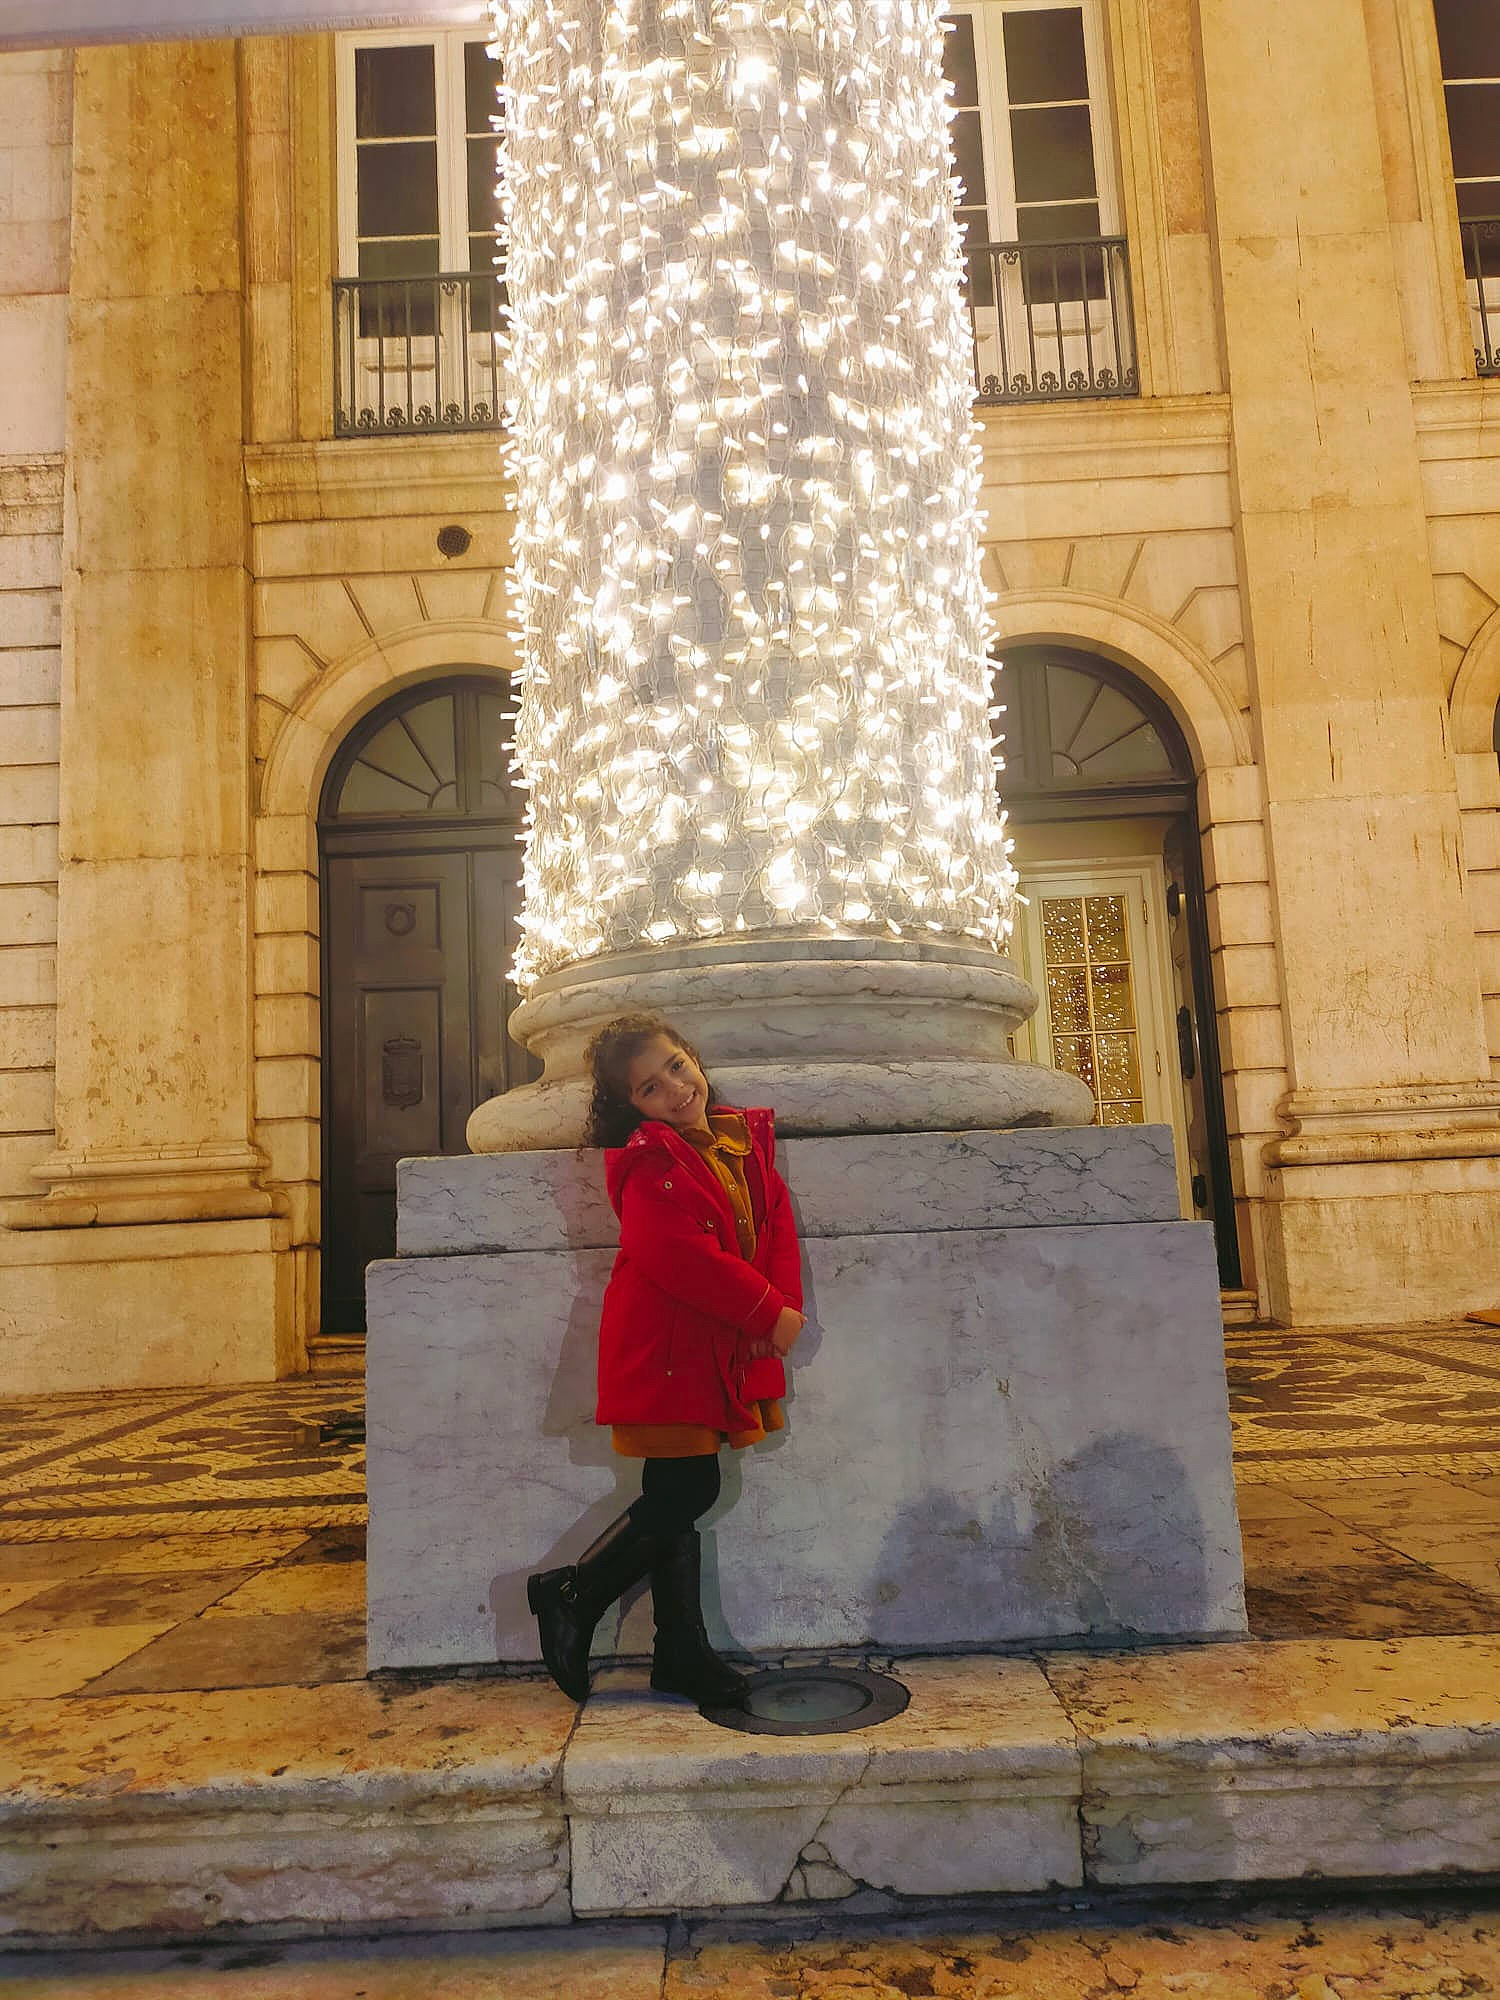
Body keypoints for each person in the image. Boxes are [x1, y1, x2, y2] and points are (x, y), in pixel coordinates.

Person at [527, 1012, 805, 1706]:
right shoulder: (649, 1163)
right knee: (689, 1490)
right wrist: (767, 1312)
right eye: (652, 1088)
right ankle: (572, 1592)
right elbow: (682, 1258)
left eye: (677, 1067)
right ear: (633, 1108)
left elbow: (775, 1226)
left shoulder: (739, 1139)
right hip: (666, 1347)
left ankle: (678, 1652)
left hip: (711, 1341)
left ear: (693, 1058)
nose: (677, 1089)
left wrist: (781, 1306)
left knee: (675, 1496)